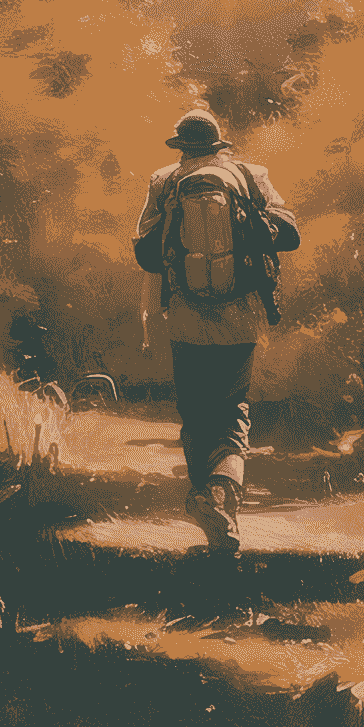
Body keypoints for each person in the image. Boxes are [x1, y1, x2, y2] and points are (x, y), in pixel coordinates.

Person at [134, 109, 300, 553]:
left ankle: (206, 502)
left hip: (186, 319)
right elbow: (290, 235)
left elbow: (147, 255)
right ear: (218, 144)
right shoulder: (250, 175)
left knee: (196, 414)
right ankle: (221, 497)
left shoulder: (163, 181)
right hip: (241, 317)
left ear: (180, 146)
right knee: (232, 412)